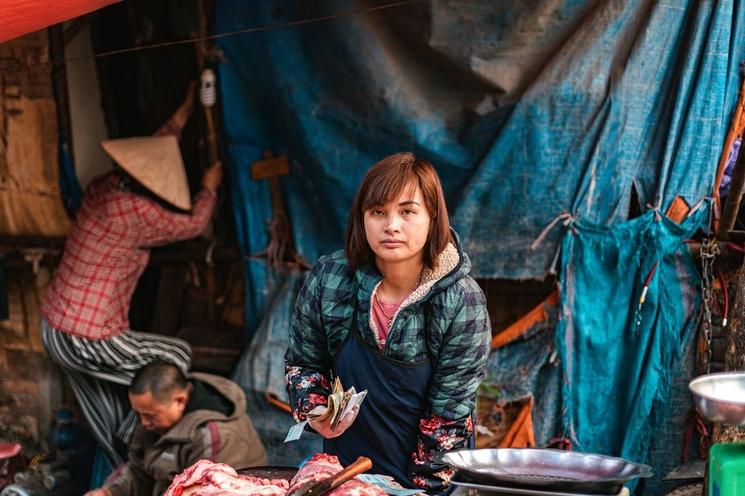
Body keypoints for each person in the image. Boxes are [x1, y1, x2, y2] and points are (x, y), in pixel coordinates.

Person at [285, 152, 491, 493]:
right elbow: (304, 363)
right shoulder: (330, 279)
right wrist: (317, 408)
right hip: (347, 469)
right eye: (378, 211)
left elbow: (448, 415)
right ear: (361, 218)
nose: (391, 225)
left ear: (432, 217)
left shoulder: (461, 301)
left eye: (408, 211)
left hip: (426, 472)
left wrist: (419, 489)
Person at [40, 86, 223, 466]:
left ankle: (121, 475)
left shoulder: (104, 186)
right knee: (174, 356)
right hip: (86, 336)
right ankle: (148, 456)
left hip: (55, 329)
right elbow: (193, 224)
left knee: (108, 414)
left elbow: (156, 152)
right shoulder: (135, 211)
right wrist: (208, 188)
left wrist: (185, 111)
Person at [85, 361, 267, 496]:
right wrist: (109, 493)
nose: (144, 422)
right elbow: (140, 471)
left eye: (150, 416)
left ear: (179, 401)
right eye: (139, 414)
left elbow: (207, 492)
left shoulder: (215, 436)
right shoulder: (153, 418)